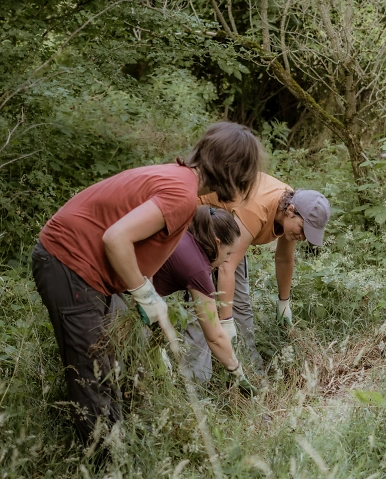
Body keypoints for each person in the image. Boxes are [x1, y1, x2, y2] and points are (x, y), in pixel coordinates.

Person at [31, 121, 262, 448]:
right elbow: (116, 238)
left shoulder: (180, 182)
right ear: (233, 171)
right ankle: (108, 462)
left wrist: (145, 292)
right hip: (70, 262)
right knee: (93, 374)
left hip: (83, 271)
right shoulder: (181, 194)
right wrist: (144, 294)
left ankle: (121, 449)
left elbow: (138, 244)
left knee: (109, 366)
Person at [192, 174, 330, 376]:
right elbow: (227, 268)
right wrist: (226, 321)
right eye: (302, 229)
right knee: (202, 307)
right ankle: (198, 379)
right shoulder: (258, 208)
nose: (302, 237)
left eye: (307, 234)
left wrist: (284, 302)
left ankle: (250, 372)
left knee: (241, 306)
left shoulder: (292, 207)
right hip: (201, 223)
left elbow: (284, 259)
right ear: (290, 210)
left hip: (231, 232)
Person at [151, 206, 256, 395]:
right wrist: (237, 371)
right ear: (217, 243)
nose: (228, 260)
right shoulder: (197, 269)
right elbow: (214, 336)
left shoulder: (186, 236)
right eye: (228, 253)